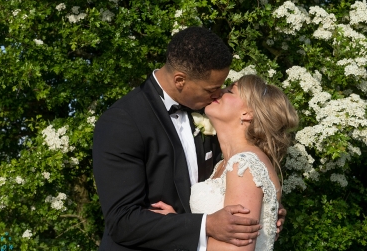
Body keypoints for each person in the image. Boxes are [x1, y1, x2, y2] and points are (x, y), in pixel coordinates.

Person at [93, 27, 284, 251]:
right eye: (212, 89)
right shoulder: (124, 121)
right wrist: (205, 225)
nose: (218, 94)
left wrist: (265, 209)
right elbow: (122, 222)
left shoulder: (212, 112)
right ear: (180, 80)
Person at [151, 74, 299, 250]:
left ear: (247, 114)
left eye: (230, 91)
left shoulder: (244, 165)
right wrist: (181, 223)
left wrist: (179, 232)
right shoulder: (223, 165)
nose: (219, 92)